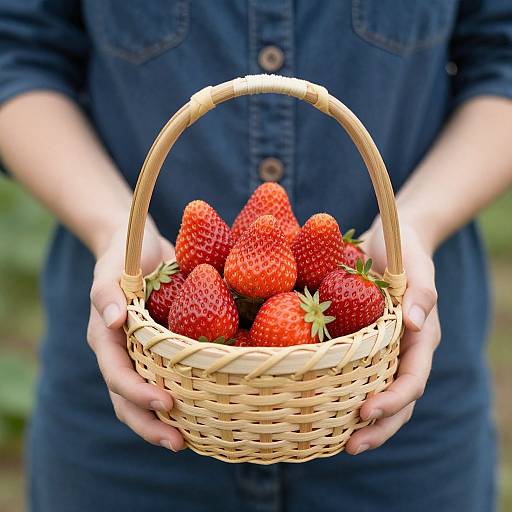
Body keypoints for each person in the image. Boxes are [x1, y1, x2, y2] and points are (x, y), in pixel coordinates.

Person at [0, 1, 511, 511]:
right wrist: (116, 230)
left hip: (389, 395)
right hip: (137, 390)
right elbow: (16, 53)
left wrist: (413, 227)